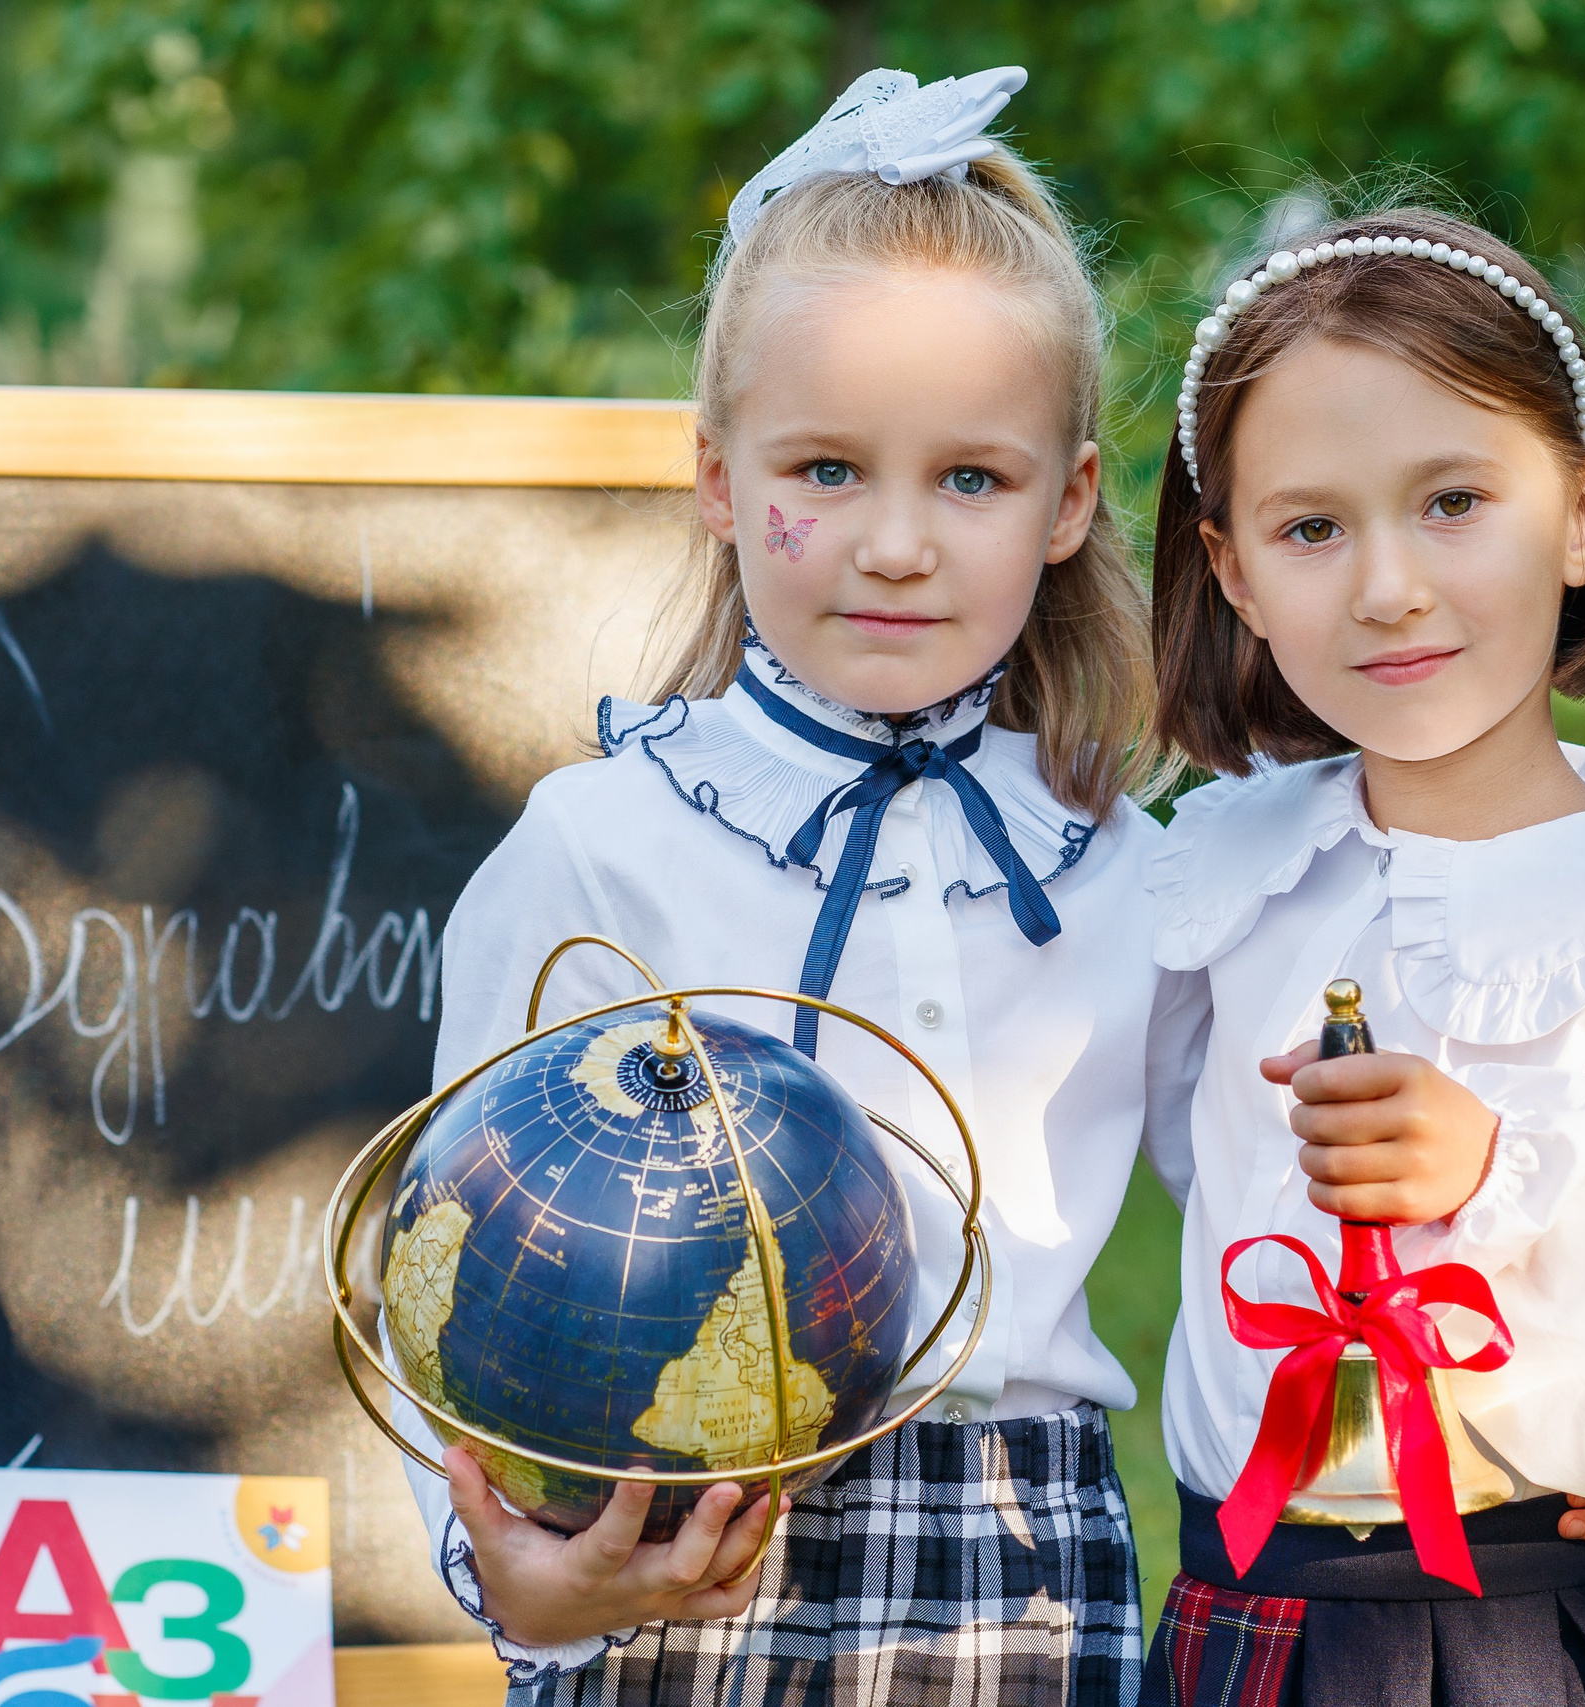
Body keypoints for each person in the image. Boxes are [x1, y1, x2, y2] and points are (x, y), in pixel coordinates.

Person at [389, 66, 1196, 1707]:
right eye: (824, 469)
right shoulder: (600, 844)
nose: (894, 543)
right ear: (714, 478)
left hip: (1024, 1571)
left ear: (1070, 503)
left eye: (970, 478)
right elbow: (452, 1245)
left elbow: (1279, 1200)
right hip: (674, 1545)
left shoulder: (1117, 859)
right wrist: (516, 1575)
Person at [1136, 208, 1585, 1704]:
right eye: (1311, 527)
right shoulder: (1211, 883)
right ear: (1234, 571)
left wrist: (1500, 1172)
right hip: (1251, 1622)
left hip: (1550, 1636)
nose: (1388, 587)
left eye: (1453, 500)